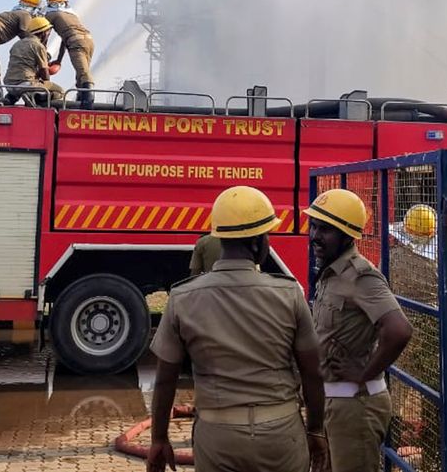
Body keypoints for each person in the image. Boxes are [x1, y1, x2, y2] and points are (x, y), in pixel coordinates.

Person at [147, 186, 329, 472]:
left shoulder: (183, 298)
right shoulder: (289, 294)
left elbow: (164, 380)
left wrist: (159, 438)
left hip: (217, 438)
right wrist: (315, 430)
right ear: (257, 243)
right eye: (267, 235)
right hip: (280, 435)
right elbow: (312, 372)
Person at [306, 188, 414, 472]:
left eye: (326, 230)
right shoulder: (329, 273)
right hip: (333, 403)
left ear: (347, 235)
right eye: (314, 226)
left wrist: (363, 373)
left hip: (355, 407)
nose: (315, 235)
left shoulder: (361, 276)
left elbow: (399, 330)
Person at [43, 0, 95, 109]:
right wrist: (59, 60)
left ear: (49, 2)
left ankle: (88, 101)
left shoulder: (50, 14)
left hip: (76, 43)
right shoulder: (72, 14)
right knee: (81, 73)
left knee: (83, 72)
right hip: (89, 41)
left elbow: (43, 33)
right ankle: (81, 98)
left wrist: (43, 54)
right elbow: (64, 39)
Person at [2, 16, 64, 106]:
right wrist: (47, 83)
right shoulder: (38, 46)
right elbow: (44, 71)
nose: (48, 35)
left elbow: (22, 66)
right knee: (60, 91)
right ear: (43, 32)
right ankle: (34, 96)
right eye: (48, 32)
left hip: (9, 84)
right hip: (26, 84)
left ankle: (10, 98)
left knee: (21, 87)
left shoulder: (17, 44)